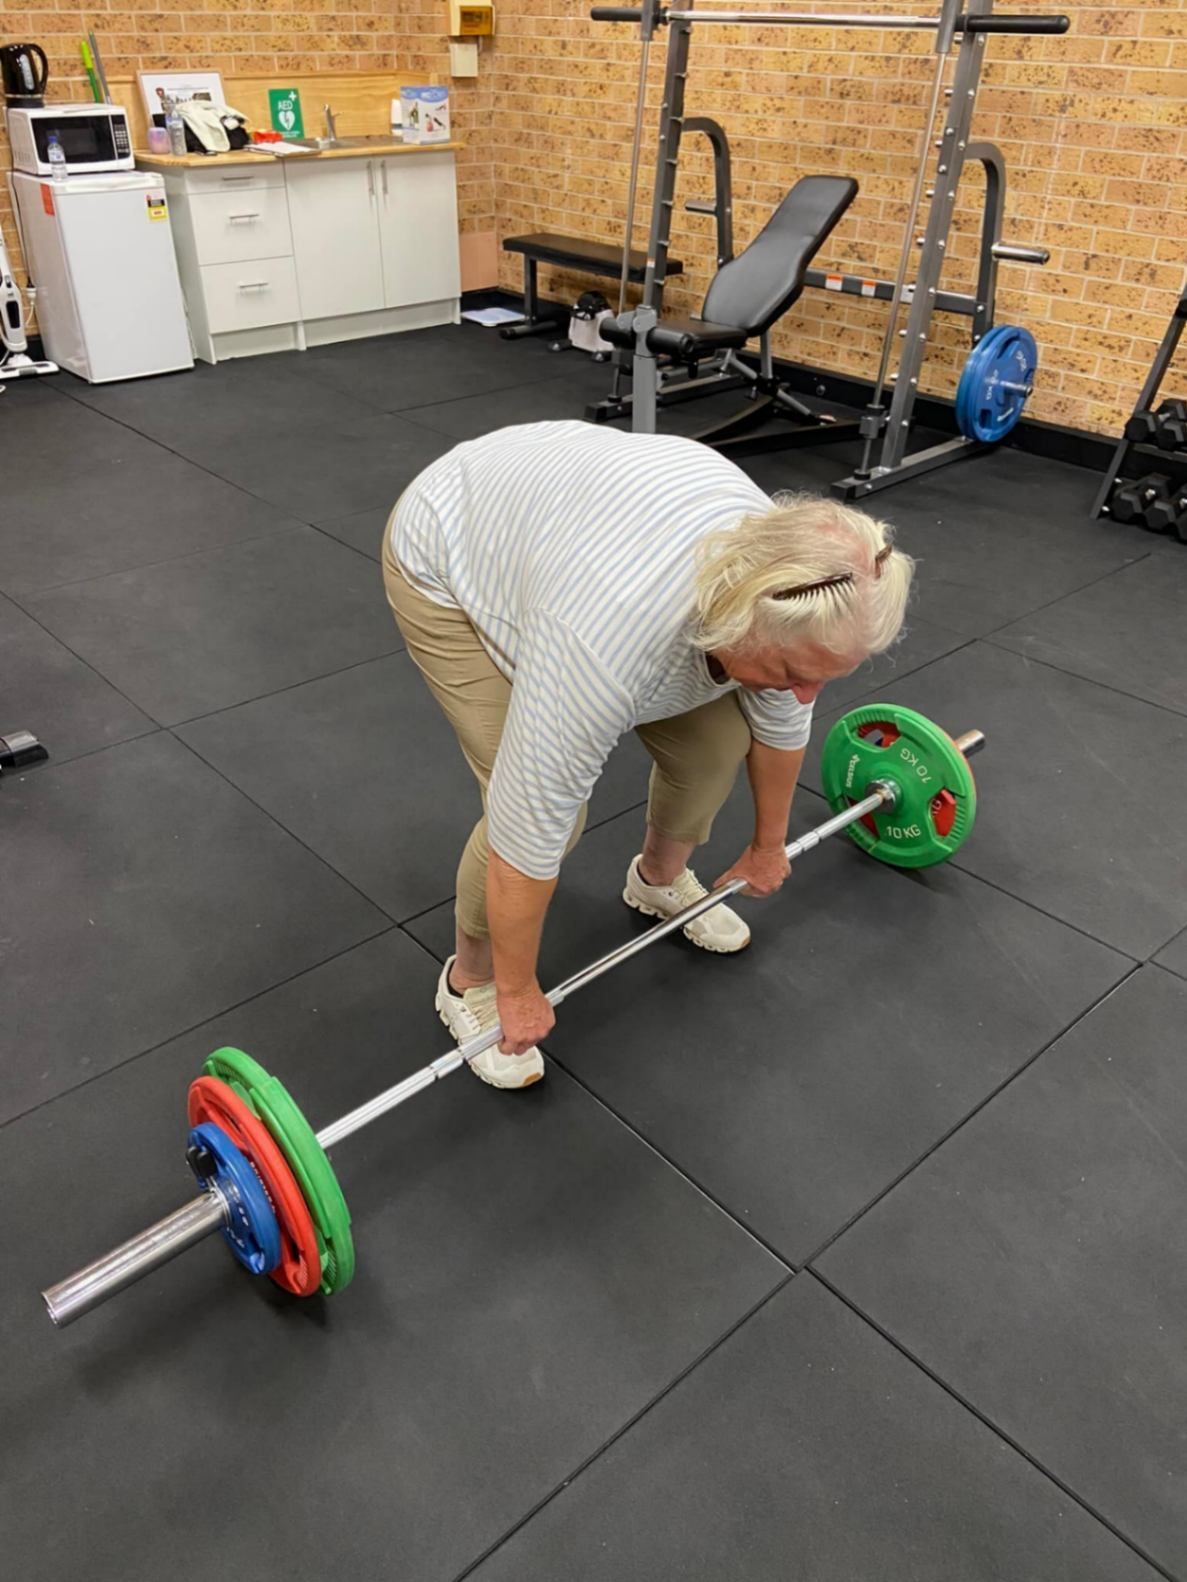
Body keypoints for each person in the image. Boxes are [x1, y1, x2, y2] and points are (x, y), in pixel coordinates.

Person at [383, 420, 912, 1090]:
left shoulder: (799, 588)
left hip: (580, 515)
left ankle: (655, 877)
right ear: (736, 620)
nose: (807, 692)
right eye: (791, 669)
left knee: (719, 744)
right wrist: (517, 990)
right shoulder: (605, 639)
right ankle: (470, 979)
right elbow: (529, 822)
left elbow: (782, 718)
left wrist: (767, 844)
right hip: (453, 545)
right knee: (551, 813)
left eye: (825, 675)